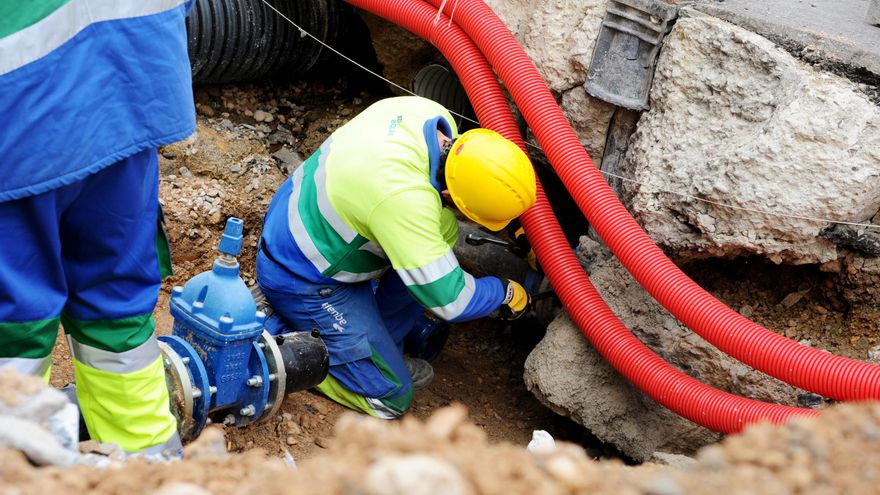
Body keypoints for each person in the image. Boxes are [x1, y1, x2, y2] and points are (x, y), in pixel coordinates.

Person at [256, 96, 537, 419]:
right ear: (450, 195)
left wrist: (520, 230)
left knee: (443, 229)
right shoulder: (405, 200)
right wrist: (504, 293)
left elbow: (477, 186)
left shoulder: (429, 115)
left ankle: (380, 341)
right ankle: (277, 338)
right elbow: (452, 301)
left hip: (301, 217)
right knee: (391, 397)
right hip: (301, 275)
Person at [0, 1, 196, 455]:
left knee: (13, 328)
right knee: (116, 312)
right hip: (130, 94)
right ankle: (151, 468)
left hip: (16, 126)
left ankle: (17, 469)